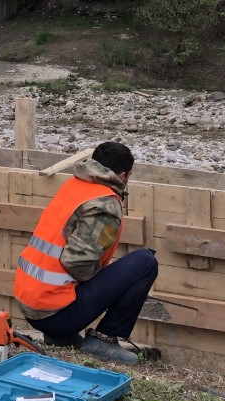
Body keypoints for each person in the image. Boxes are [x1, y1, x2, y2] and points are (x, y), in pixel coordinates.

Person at [13, 141, 159, 364]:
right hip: (55, 315)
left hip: (33, 304)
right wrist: (110, 282)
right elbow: (78, 263)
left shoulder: (74, 185)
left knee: (118, 269)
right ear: (123, 175)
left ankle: (60, 336)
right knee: (145, 262)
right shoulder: (104, 203)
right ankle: (104, 338)